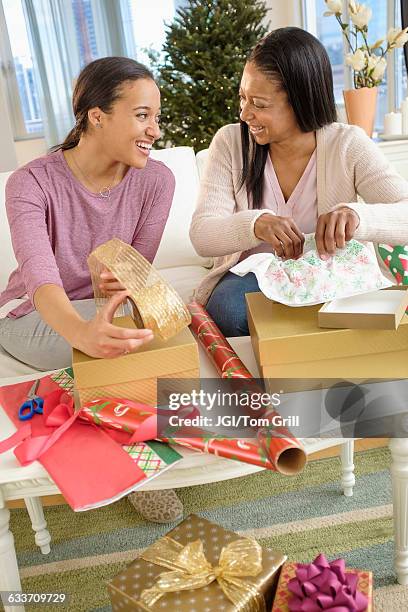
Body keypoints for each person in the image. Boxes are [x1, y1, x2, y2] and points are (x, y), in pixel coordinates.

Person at [0, 56, 182, 523]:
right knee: (112, 346)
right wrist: (84, 333)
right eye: (142, 116)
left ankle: (138, 444)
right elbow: (41, 278)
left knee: (144, 335)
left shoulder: (156, 180)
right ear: (96, 116)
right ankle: (137, 466)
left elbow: (140, 271)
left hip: (105, 310)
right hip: (35, 316)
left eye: (156, 118)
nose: (155, 131)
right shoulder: (31, 183)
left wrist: (121, 283)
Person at [190, 27, 408, 337]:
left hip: (330, 273)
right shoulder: (230, 143)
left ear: (301, 101)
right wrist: (256, 225)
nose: (245, 114)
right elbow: (202, 235)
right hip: (257, 276)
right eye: (243, 98)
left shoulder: (347, 144)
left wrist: (356, 216)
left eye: (260, 104)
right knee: (228, 310)